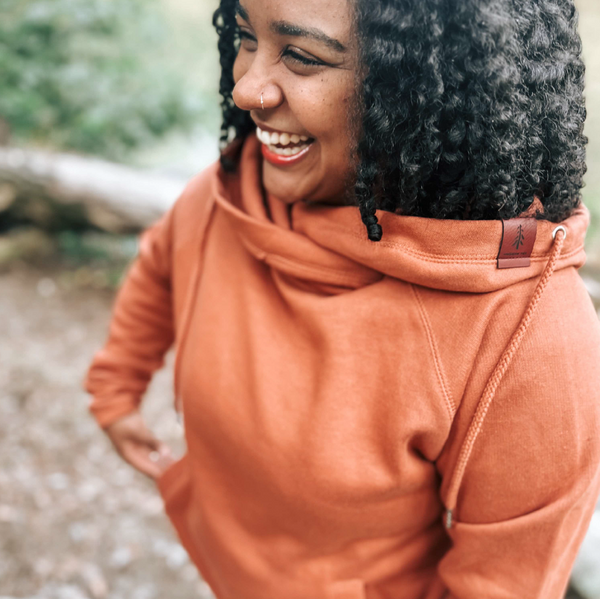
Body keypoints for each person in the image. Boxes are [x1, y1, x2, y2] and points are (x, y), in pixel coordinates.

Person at [83, 0, 600, 596]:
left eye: (302, 56)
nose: (247, 87)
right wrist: (116, 386)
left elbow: (504, 583)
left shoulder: (529, 339)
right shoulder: (238, 184)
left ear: (422, 91)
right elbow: (163, 262)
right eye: (246, 36)